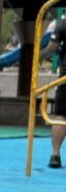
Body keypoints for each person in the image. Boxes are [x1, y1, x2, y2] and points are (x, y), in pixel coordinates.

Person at [39, 16, 66, 168]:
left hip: (65, 77)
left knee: (61, 115)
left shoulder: (63, 23)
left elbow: (51, 47)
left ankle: (55, 154)